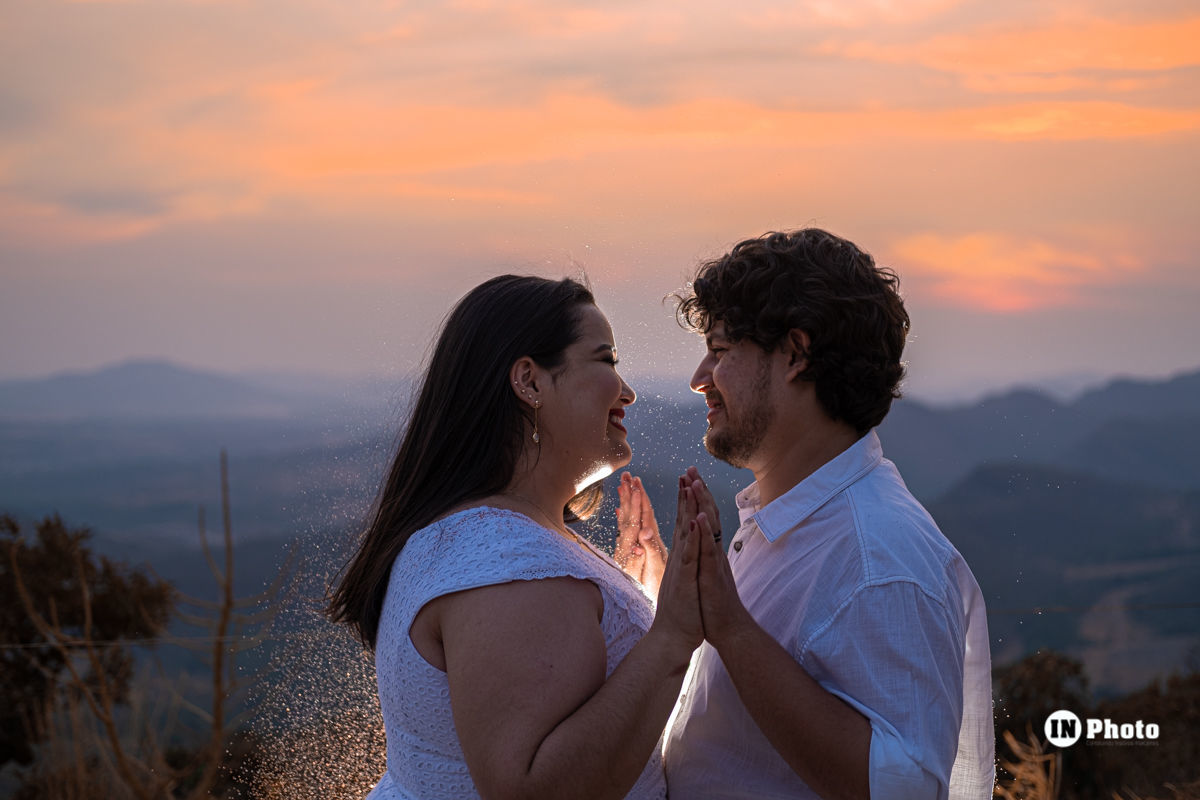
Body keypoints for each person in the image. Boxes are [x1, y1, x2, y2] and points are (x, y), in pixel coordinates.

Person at [327, 274, 705, 800]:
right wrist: (671, 636)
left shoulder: (497, 542)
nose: (626, 391)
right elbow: (531, 788)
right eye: (606, 361)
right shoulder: (509, 562)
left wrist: (628, 596)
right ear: (529, 381)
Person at [663, 229, 995, 799]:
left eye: (719, 351)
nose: (700, 379)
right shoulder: (788, 527)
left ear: (795, 354)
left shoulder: (880, 557)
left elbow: (904, 788)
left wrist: (733, 631)